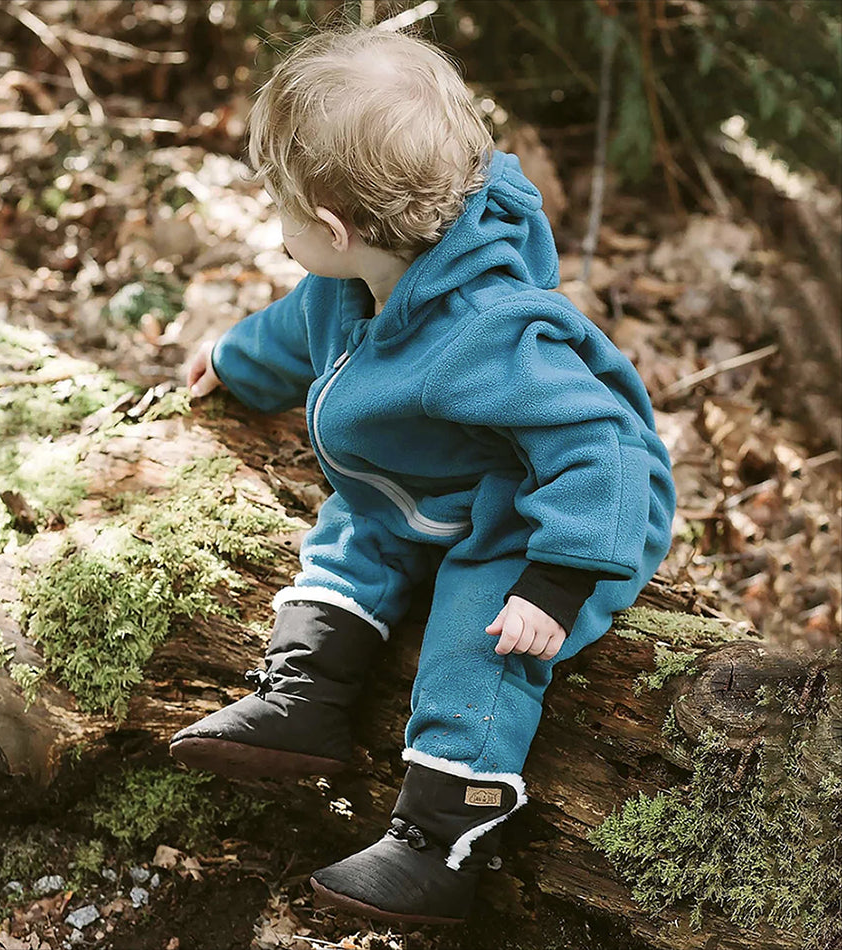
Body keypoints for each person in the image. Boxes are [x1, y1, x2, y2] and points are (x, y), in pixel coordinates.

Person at [169, 25, 675, 926]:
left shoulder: (490, 332)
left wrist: (555, 582)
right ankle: (303, 701)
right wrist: (230, 361)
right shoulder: (348, 281)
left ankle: (443, 836)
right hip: (423, 486)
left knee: (478, 639)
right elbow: (296, 333)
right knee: (352, 533)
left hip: (553, 508)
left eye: (279, 207)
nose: (275, 225)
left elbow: (599, 444)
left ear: (332, 226)